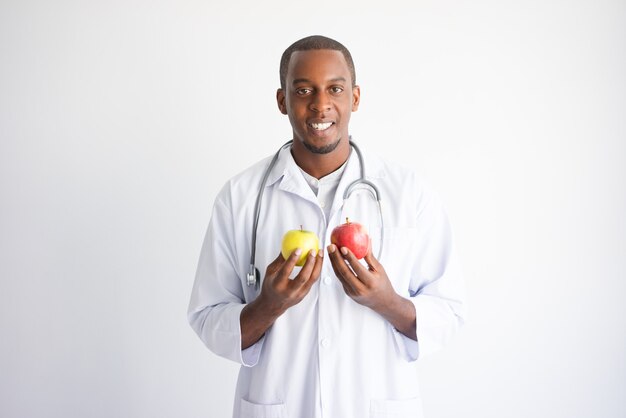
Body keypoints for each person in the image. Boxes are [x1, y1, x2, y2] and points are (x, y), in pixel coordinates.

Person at [188, 35, 466, 418]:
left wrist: (386, 302)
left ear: (354, 97)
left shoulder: (408, 193)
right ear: (282, 101)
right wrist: (268, 306)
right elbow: (207, 317)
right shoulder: (240, 197)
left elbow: (449, 311)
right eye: (304, 90)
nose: (321, 104)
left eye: (334, 88)